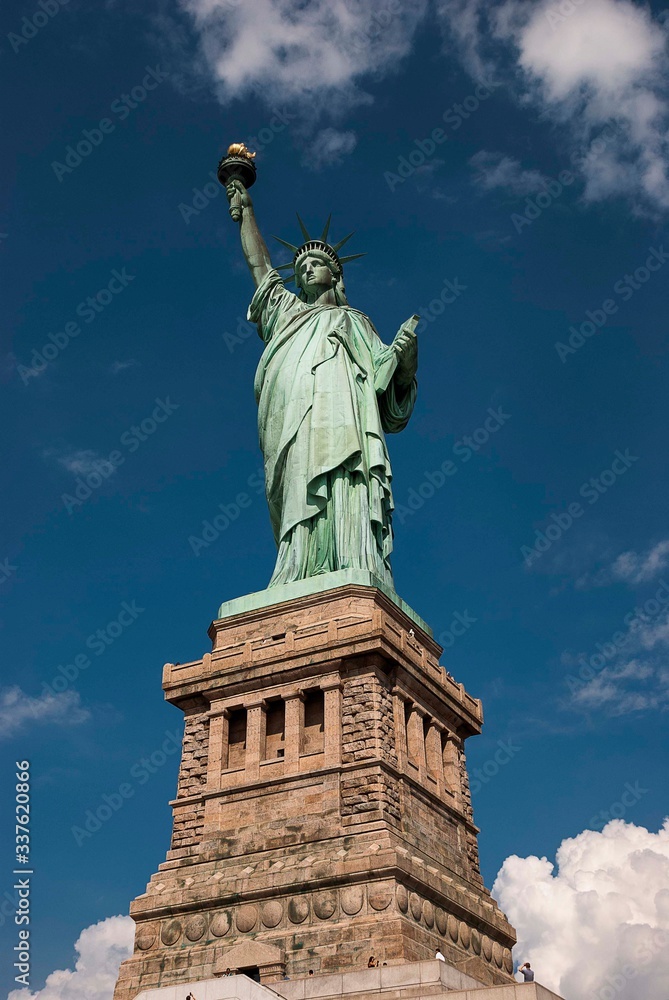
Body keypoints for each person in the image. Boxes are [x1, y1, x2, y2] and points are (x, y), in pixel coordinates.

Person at [225, 179, 418, 589]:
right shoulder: (288, 314)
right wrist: (247, 211)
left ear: (335, 274)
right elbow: (260, 267)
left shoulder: (358, 323)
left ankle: (353, 558)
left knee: (348, 479)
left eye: (315, 264)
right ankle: (297, 567)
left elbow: (390, 395)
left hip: (346, 421)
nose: (306, 269)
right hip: (295, 421)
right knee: (300, 481)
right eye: (299, 268)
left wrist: (405, 358)